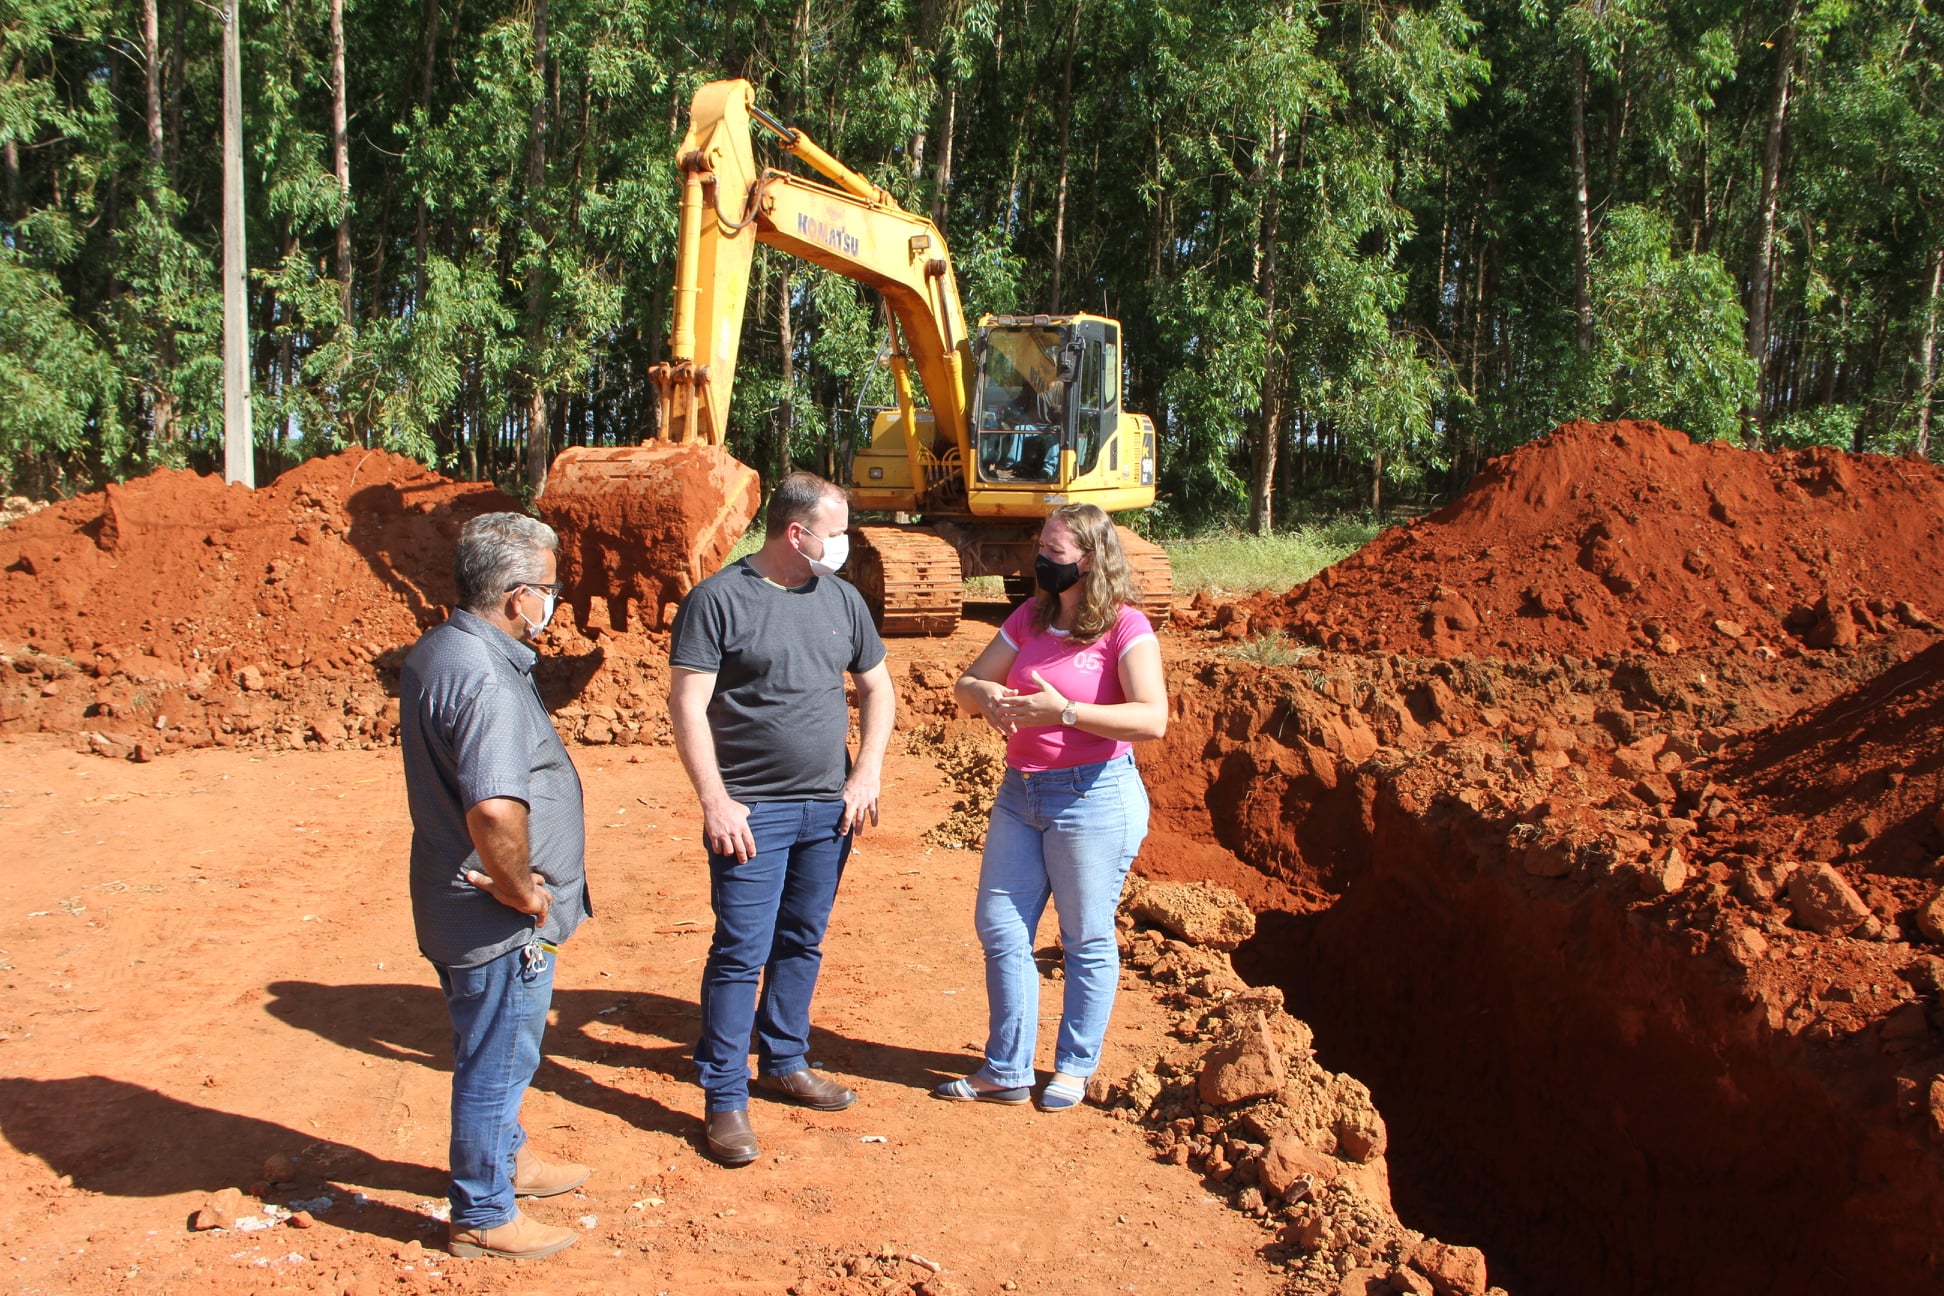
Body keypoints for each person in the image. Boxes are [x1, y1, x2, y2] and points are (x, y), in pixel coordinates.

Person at [667, 471, 896, 1165]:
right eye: (836, 533)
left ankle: (785, 1059)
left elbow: (878, 689)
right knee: (741, 952)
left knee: (802, 937)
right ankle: (724, 1099)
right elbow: (687, 705)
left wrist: (867, 772)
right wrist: (715, 798)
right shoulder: (717, 602)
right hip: (751, 814)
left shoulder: (844, 600)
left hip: (828, 810)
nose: (844, 546)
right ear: (796, 534)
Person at [400, 512, 593, 1260]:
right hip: (494, 919)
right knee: (498, 1058)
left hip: (450, 902)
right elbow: (493, 808)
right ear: (517, 596)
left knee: (496, 1046)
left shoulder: (443, 649)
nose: (554, 602)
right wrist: (520, 893)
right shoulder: (485, 679)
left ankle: (507, 1158)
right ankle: (483, 1211)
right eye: (549, 589)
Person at [942, 503, 1165, 1111]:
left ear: (1089, 560)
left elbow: (1152, 717)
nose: (1041, 559)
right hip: (1021, 793)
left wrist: (1063, 711)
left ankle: (1073, 1066)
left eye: (1054, 551)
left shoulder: (1125, 628)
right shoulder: (1029, 618)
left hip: (1093, 796)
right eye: (1041, 546)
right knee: (1000, 925)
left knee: (1085, 937)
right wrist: (986, 692)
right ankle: (1006, 1068)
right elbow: (966, 686)